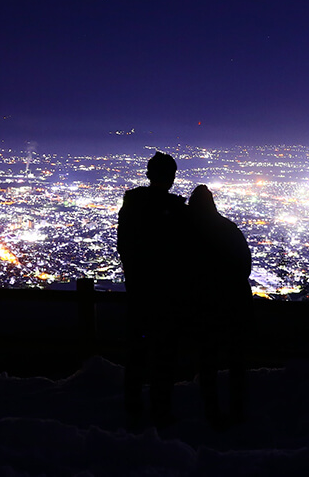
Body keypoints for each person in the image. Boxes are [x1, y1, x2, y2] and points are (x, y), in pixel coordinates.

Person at [117, 151, 189, 424]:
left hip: (138, 290)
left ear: (149, 175)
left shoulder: (132, 207)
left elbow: (124, 247)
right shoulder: (176, 212)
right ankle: (161, 408)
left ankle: (132, 405)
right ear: (171, 177)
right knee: (164, 353)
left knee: (136, 350)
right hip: (167, 294)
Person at [188, 183, 252, 427]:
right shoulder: (229, 229)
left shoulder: (188, 236)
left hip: (205, 307)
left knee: (208, 361)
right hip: (234, 304)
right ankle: (238, 411)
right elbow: (245, 267)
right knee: (237, 360)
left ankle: (211, 412)